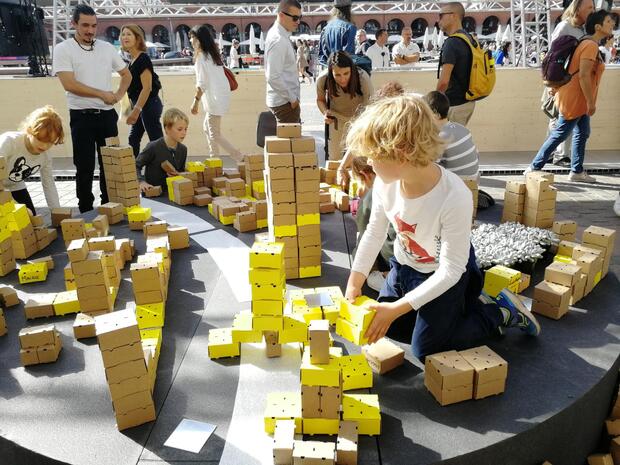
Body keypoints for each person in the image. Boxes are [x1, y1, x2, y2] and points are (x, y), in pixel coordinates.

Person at [343, 94, 540, 361]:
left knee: (427, 350)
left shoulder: (454, 195)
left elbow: (450, 271)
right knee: (390, 328)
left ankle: (498, 313)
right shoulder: (384, 184)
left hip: (446, 273)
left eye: (374, 157)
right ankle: (454, 311)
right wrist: (355, 282)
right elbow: (374, 233)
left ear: (401, 153)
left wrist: (399, 307)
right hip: (404, 269)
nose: (370, 164)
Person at [52, 3, 131, 213]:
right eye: (85, 25)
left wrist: (117, 95)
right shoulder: (63, 49)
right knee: (84, 167)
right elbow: (69, 84)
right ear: (73, 24)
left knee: (110, 166)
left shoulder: (106, 48)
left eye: (94, 25)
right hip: (81, 117)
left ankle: (110, 208)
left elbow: (127, 75)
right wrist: (102, 94)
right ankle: (86, 211)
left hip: (107, 117)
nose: (90, 30)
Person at [526, 9, 613, 183]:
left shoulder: (587, 43)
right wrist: (590, 102)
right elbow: (583, 75)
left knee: (582, 132)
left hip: (575, 96)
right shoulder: (590, 45)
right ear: (598, 27)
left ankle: (577, 171)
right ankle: (534, 166)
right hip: (576, 97)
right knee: (560, 133)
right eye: (609, 21)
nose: (613, 24)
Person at [545, 0, 595, 166]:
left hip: (574, 82)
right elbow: (552, 56)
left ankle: (553, 155)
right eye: (589, 7)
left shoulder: (584, 30)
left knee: (563, 120)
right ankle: (558, 156)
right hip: (562, 80)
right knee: (560, 118)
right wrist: (554, 83)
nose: (592, 10)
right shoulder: (564, 27)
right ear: (578, 8)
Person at [189, 25, 243, 162]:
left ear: (200, 40)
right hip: (219, 97)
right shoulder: (212, 55)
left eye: (192, 37)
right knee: (207, 128)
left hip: (214, 99)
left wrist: (195, 102)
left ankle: (239, 157)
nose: (190, 41)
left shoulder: (201, 57)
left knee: (214, 133)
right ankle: (215, 160)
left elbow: (202, 83)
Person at [0, 106, 64, 214]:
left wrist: (57, 213)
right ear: (29, 130)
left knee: (32, 221)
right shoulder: (9, 142)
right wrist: (15, 206)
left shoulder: (46, 157)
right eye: (40, 139)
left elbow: (49, 185)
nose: (44, 146)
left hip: (14, 185)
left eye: (50, 142)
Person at [350, 156, 396, 292]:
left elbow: (367, 239)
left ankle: (388, 277)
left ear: (365, 175)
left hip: (398, 259)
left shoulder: (372, 195)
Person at [316, 51, 373, 161]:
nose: (342, 79)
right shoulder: (323, 79)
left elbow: (370, 105)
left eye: (346, 73)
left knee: (361, 160)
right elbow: (320, 100)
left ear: (351, 69)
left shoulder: (362, 77)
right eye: (337, 75)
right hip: (336, 120)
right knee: (334, 160)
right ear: (330, 72)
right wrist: (325, 112)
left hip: (359, 120)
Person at [120, 24, 164, 159]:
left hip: (148, 105)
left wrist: (136, 110)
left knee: (156, 141)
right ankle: (133, 172)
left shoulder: (143, 58)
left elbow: (147, 87)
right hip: (141, 106)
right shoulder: (132, 60)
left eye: (129, 34)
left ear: (137, 38)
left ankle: (164, 174)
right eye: (123, 34)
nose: (125, 37)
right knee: (133, 139)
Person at [436, 2, 477, 126]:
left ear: (453, 16)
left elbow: (444, 81)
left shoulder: (452, 42)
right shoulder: (468, 38)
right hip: (468, 102)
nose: (438, 21)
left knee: (448, 143)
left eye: (441, 15)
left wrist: (435, 102)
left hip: (454, 105)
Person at [423, 91, 479, 180]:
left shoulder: (439, 138)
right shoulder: (463, 129)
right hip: (473, 183)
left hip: (457, 185)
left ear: (435, 115)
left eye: (424, 114)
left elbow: (430, 169)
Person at [264, 0, 302, 124]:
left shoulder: (279, 35)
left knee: (289, 141)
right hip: (284, 104)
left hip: (283, 102)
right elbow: (273, 76)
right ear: (281, 15)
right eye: (295, 18)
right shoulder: (278, 39)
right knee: (291, 142)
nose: (298, 22)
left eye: (300, 17)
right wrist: (292, 99)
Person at [136, 108, 188, 193]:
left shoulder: (183, 149)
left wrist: (178, 175)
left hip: (173, 193)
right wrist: (141, 182)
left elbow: (181, 171)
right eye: (180, 129)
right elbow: (136, 165)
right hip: (152, 194)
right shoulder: (153, 147)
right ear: (167, 129)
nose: (184, 133)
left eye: (186, 129)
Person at [318, 0, 357, 67]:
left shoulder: (325, 28)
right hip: (344, 73)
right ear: (348, 9)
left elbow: (321, 57)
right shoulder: (350, 27)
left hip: (330, 72)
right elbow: (349, 55)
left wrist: (330, 69)